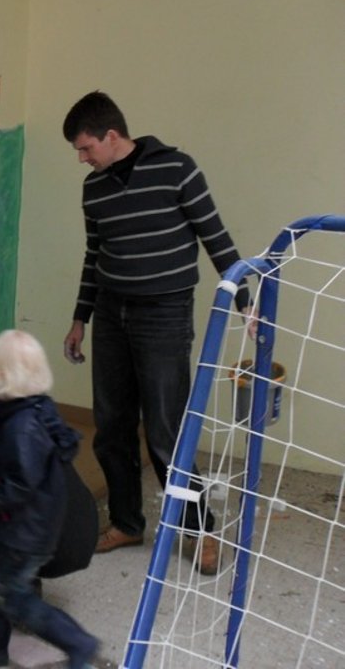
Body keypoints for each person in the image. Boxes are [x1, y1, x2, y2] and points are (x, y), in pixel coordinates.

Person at [61, 90, 251, 575]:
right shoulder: (93, 189)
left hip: (164, 314)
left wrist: (246, 301)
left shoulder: (177, 169)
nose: (82, 158)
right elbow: (93, 255)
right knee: (112, 428)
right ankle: (127, 522)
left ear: (111, 135)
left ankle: (199, 529)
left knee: (166, 432)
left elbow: (216, 236)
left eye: (86, 148)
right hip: (111, 314)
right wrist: (81, 318)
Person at [0, 330, 99, 668]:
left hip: (26, 532)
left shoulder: (21, 427)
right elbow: (25, 471)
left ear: (3, 376)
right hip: (31, 525)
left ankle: (79, 643)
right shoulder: (33, 407)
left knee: (15, 597)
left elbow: (18, 489)